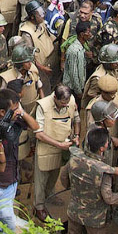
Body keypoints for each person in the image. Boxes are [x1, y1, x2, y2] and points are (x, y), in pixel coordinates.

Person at [0, 87, 40, 234]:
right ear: (2, 112)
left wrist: (22, 112)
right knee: (6, 227)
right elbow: (0, 167)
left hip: (11, 182)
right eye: (15, 109)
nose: (18, 111)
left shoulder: (13, 121)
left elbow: (35, 126)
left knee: (3, 225)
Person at [62, 127, 118, 234]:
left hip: (74, 212)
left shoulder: (74, 159)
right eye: (107, 141)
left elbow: (63, 178)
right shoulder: (104, 171)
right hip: (95, 219)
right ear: (102, 148)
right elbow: (109, 198)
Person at [33, 84, 79, 220]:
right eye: (62, 104)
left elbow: (76, 119)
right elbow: (38, 134)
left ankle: (49, 197)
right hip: (46, 147)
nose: (65, 106)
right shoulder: (42, 106)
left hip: (62, 146)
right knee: (41, 179)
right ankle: (39, 206)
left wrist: (76, 134)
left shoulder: (70, 101)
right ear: (55, 98)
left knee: (54, 174)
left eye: (67, 104)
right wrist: (58, 144)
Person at [64, 20, 92, 97]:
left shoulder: (83, 47)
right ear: (82, 34)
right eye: (88, 32)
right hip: (72, 89)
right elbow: (73, 74)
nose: (90, 34)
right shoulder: (74, 50)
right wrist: (78, 91)